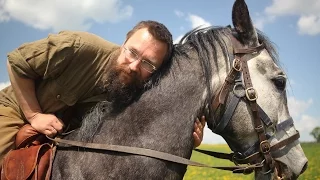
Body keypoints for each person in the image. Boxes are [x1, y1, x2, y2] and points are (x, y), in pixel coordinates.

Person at [0, 20, 205, 165]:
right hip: (16, 110)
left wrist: (187, 139)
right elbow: (17, 62)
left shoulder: (137, 88)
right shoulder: (78, 46)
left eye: (148, 63)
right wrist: (34, 115)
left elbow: (144, 131)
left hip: (62, 138)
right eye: (132, 52)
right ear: (123, 43)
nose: (134, 66)